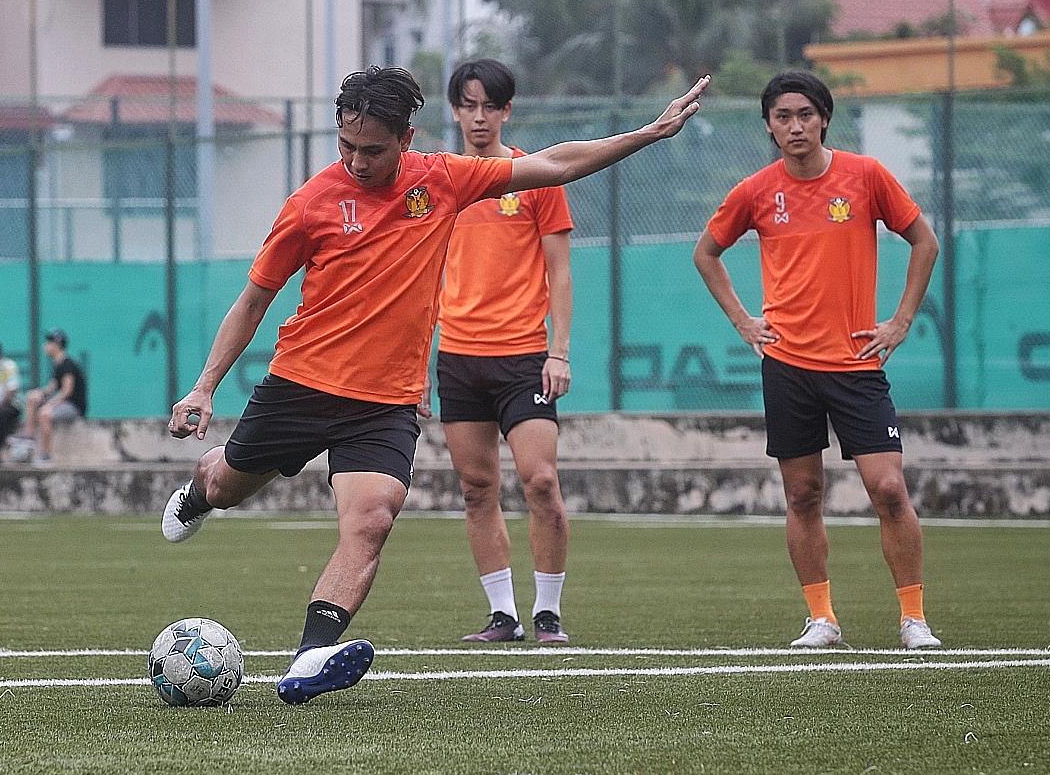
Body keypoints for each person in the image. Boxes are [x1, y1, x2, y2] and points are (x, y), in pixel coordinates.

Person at [162, 66, 709, 704]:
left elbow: (554, 165)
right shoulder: (311, 204)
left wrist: (647, 133)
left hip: (385, 401)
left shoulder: (442, 179)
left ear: (407, 138)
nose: (358, 162)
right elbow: (253, 301)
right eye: (347, 147)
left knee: (370, 519)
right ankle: (202, 490)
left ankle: (311, 657)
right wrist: (203, 388)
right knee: (227, 485)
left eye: (373, 150)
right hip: (301, 384)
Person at [692, 69, 942, 650]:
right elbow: (706, 253)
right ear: (769, 127)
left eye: (806, 114)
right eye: (783, 117)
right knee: (802, 494)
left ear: (824, 118)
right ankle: (822, 619)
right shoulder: (756, 190)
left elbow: (925, 241)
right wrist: (743, 322)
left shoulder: (867, 176)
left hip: (856, 365)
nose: (795, 126)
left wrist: (900, 322)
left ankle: (914, 619)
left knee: (888, 489)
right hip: (788, 366)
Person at [428, 59, 575, 645]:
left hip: (523, 358)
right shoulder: (438, 185)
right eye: (469, 105)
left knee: (541, 481)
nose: (480, 116)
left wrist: (558, 352)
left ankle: (548, 613)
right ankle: (503, 615)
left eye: (491, 105)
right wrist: (416, 369)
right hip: (458, 358)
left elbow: (560, 272)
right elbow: (422, 279)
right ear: (456, 110)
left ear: (508, 110)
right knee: (475, 490)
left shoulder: (533, 176)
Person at [19, 329, 88, 464]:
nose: (45, 346)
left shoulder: (68, 364)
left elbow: (67, 391)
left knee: (45, 414)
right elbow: (50, 388)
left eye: (49, 343)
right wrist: (39, 394)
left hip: (74, 407)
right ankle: (29, 437)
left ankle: (46, 455)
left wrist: (50, 404)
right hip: (62, 404)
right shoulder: (57, 365)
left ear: (57, 345)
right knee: (33, 397)